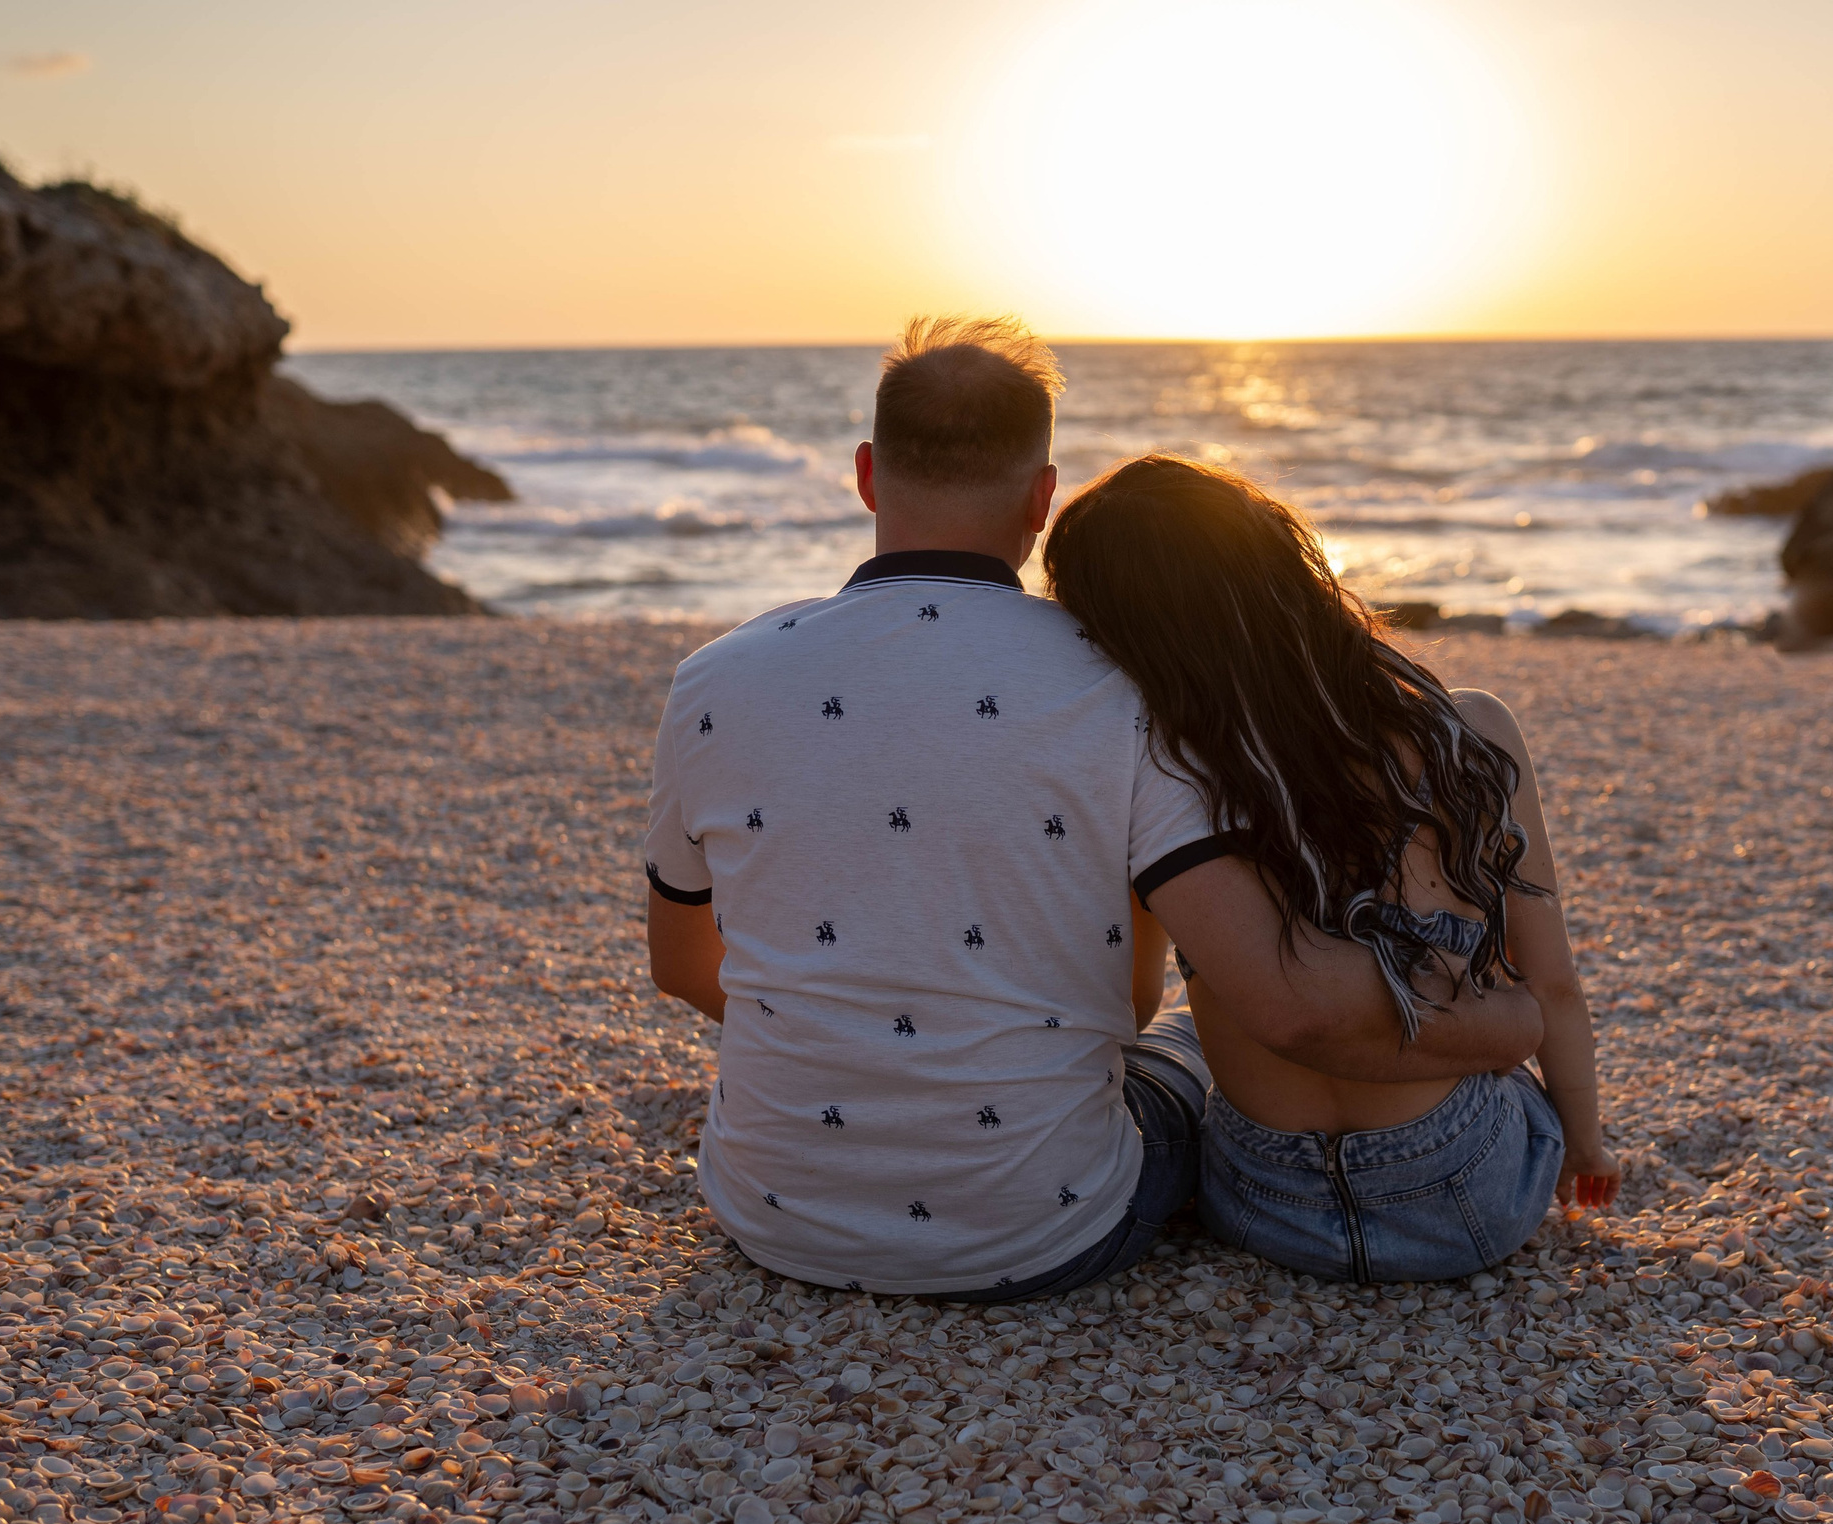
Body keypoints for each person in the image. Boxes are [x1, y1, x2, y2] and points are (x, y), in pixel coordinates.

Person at [639, 316, 1540, 1301]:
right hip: (1046, 1229)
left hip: (775, 1215)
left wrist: (859, 1033)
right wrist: (1515, 1026)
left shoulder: (713, 681)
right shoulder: (1122, 688)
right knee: (1184, 1051)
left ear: (865, 475)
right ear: (1042, 496)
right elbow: (1265, 1006)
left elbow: (681, 966)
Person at [1041, 454, 1617, 1284]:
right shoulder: (1471, 732)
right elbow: (1552, 982)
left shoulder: (1165, 776)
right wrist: (1586, 1144)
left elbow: (1129, 1002)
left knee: (1188, 1021)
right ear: (1286, 568)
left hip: (1262, 1198)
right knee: (1490, 1002)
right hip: (1468, 1191)